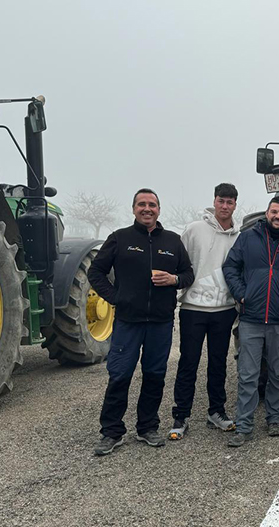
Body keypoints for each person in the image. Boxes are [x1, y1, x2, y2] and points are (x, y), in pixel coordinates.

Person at [89, 188, 194, 456]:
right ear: (134, 208)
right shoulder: (120, 238)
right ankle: (111, 431)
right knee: (120, 374)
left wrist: (174, 280)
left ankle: (147, 427)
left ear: (159, 210)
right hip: (128, 321)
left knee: (155, 375)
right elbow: (96, 271)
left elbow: (188, 273)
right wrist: (116, 298)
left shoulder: (172, 241)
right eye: (142, 204)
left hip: (160, 322)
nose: (147, 209)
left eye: (152, 205)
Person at [223, 196, 279, 447]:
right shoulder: (247, 238)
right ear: (267, 213)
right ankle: (244, 425)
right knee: (248, 374)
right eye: (274, 212)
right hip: (252, 319)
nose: (278, 216)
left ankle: (274, 419)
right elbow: (230, 268)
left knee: (278, 374)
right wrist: (242, 294)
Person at [167, 183, 241, 441]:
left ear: (235, 205)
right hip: (193, 309)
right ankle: (181, 415)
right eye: (221, 201)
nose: (225, 206)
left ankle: (216, 412)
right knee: (188, 362)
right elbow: (178, 262)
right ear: (214, 201)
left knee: (218, 364)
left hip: (223, 310)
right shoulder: (194, 230)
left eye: (230, 202)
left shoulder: (238, 236)